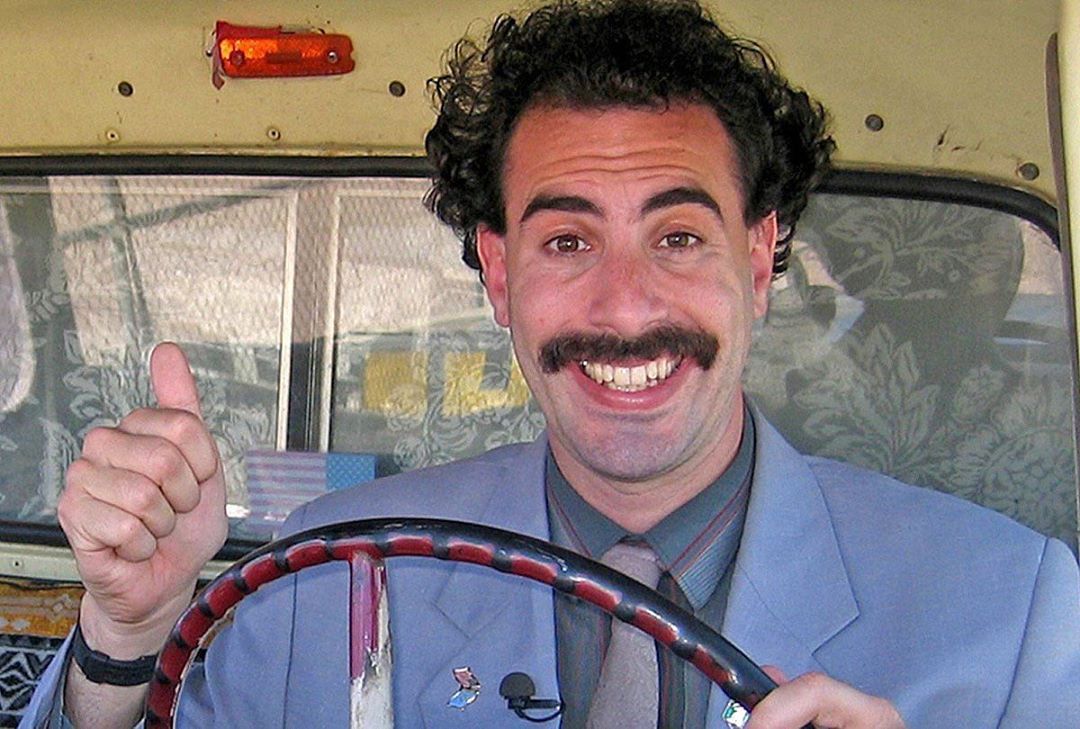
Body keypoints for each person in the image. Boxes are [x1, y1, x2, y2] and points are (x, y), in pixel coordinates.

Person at [20, 1, 1080, 727]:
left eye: (678, 237)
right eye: (568, 241)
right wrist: (124, 638)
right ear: (499, 274)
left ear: (759, 261)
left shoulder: (1012, 612)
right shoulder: (325, 574)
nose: (624, 308)